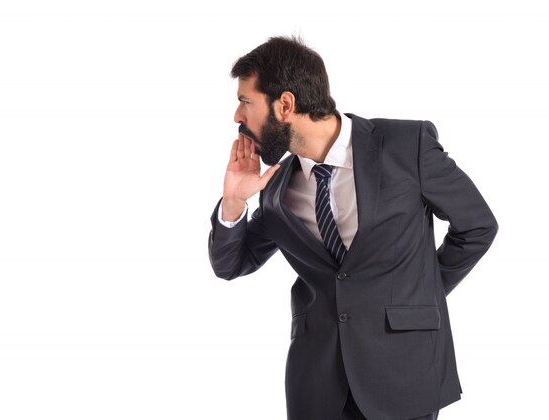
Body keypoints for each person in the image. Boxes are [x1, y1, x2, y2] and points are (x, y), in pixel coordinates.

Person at [207, 36, 498, 420]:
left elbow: (477, 225)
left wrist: (419, 289)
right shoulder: (275, 190)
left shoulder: (404, 145)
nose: (237, 117)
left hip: (402, 372)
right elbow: (232, 264)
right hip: (317, 384)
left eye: (245, 101)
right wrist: (234, 202)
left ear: (286, 105)